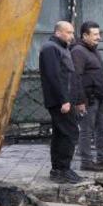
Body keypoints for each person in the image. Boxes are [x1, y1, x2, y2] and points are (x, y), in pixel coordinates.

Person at [39, 21, 83, 183]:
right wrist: (63, 100)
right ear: (58, 32)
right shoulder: (51, 48)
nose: (72, 36)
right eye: (69, 32)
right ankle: (62, 169)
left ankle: (59, 169)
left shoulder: (61, 48)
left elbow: (69, 76)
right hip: (60, 101)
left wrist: (76, 100)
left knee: (61, 133)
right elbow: (54, 77)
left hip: (66, 100)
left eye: (72, 32)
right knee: (69, 133)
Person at [71, 21, 103, 171]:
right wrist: (80, 100)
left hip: (98, 98)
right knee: (86, 130)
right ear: (85, 35)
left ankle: (102, 157)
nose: (98, 37)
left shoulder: (93, 49)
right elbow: (76, 77)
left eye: (99, 34)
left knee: (102, 127)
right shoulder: (78, 51)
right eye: (95, 34)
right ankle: (86, 162)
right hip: (88, 99)